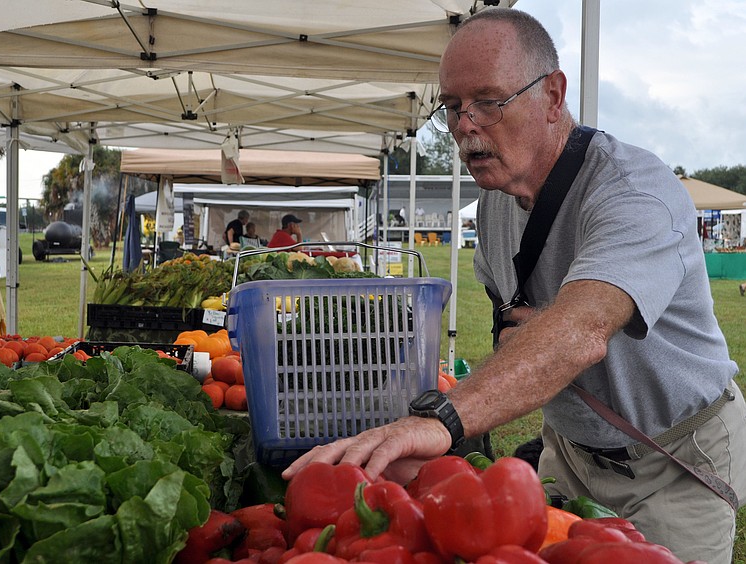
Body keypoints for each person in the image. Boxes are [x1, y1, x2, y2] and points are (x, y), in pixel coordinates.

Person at [283, 8, 746, 564]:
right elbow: (515, 331)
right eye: (452, 107)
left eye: (488, 101)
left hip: (671, 458)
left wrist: (442, 422)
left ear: (553, 95)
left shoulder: (634, 193)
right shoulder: (495, 208)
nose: (465, 125)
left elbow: (581, 329)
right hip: (568, 456)